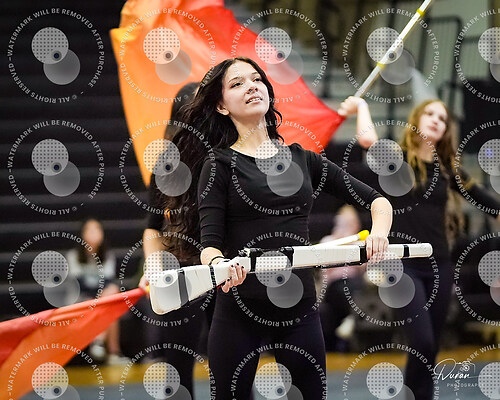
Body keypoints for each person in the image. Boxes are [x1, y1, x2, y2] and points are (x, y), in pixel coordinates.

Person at [170, 57, 393, 399]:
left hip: (299, 308)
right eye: (237, 84)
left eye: (256, 79)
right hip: (239, 310)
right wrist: (219, 265)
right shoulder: (218, 165)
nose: (251, 87)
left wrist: (379, 234)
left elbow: (378, 202)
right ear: (221, 105)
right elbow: (209, 245)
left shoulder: (303, 159)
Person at [339, 96, 500, 400]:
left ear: (446, 130)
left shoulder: (448, 169)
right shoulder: (398, 158)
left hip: (439, 265)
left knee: (430, 347)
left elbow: (488, 202)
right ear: (416, 120)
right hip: (401, 266)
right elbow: (367, 140)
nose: (436, 120)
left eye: (442, 118)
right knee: (422, 341)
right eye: (430, 114)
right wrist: (361, 106)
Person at [138, 82, 215, 397]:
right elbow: (152, 228)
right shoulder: (167, 166)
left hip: (225, 269)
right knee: (179, 364)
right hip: (181, 269)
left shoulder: (227, 158)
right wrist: (154, 266)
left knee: (232, 363)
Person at [66, 218, 128, 365]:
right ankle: (111, 350)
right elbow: (81, 286)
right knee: (105, 305)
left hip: (100, 300)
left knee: (113, 292)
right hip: (80, 300)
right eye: (90, 230)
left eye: (97, 229)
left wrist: (100, 298)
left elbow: (108, 282)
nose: (94, 233)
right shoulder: (73, 256)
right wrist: (98, 299)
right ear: (82, 234)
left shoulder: (107, 255)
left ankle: (100, 342)